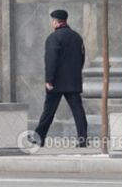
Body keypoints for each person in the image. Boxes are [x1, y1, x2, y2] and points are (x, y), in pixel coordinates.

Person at [32, 9, 88, 148]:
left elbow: (51, 60)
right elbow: (82, 59)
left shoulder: (53, 38)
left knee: (48, 112)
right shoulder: (77, 37)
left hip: (56, 83)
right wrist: (75, 73)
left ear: (56, 22)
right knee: (78, 111)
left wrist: (49, 79)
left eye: (53, 21)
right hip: (73, 81)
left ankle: (39, 138)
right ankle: (82, 139)